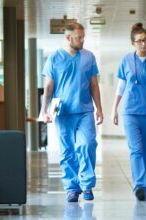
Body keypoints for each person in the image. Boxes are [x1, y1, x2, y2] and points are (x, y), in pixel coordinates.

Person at [39, 22, 103, 202]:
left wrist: (99, 108)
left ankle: (87, 183)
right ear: (68, 38)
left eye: (83, 37)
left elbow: (94, 85)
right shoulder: (54, 58)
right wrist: (44, 111)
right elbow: (49, 87)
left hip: (85, 110)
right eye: (79, 37)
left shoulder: (89, 57)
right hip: (63, 112)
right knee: (67, 151)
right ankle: (72, 188)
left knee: (87, 144)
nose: (82, 40)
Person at [111, 23, 146, 201]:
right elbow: (121, 86)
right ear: (133, 43)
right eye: (139, 41)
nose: (143, 44)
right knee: (136, 150)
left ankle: (144, 185)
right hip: (130, 112)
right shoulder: (126, 60)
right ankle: (139, 185)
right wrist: (114, 109)